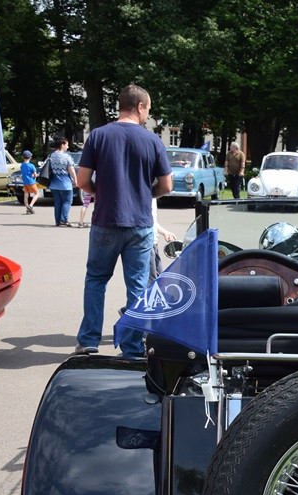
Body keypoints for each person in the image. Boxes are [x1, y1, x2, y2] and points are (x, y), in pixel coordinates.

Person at [73, 83, 172, 359]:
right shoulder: (152, 141)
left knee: (96, 279)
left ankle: (90, 340)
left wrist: (100, 192)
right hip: (140, 225)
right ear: (139, 106)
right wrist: (144, 193)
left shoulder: (98, 136)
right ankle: (131, 347)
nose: (148, 116)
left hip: (105, 220)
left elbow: (82, 181)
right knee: (138, 287)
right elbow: (166, 185)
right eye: (148, 110)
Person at [47, 137, 77, 228]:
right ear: (62, 145)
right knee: (67, 201)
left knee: (58, 202)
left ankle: (58, 221)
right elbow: (71, 169)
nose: (67, 147)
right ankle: (63, 220)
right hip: (65, 183)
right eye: (67, 144)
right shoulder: (66, 156)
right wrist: (75, 180)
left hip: (54, 183)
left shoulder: (51, 156)